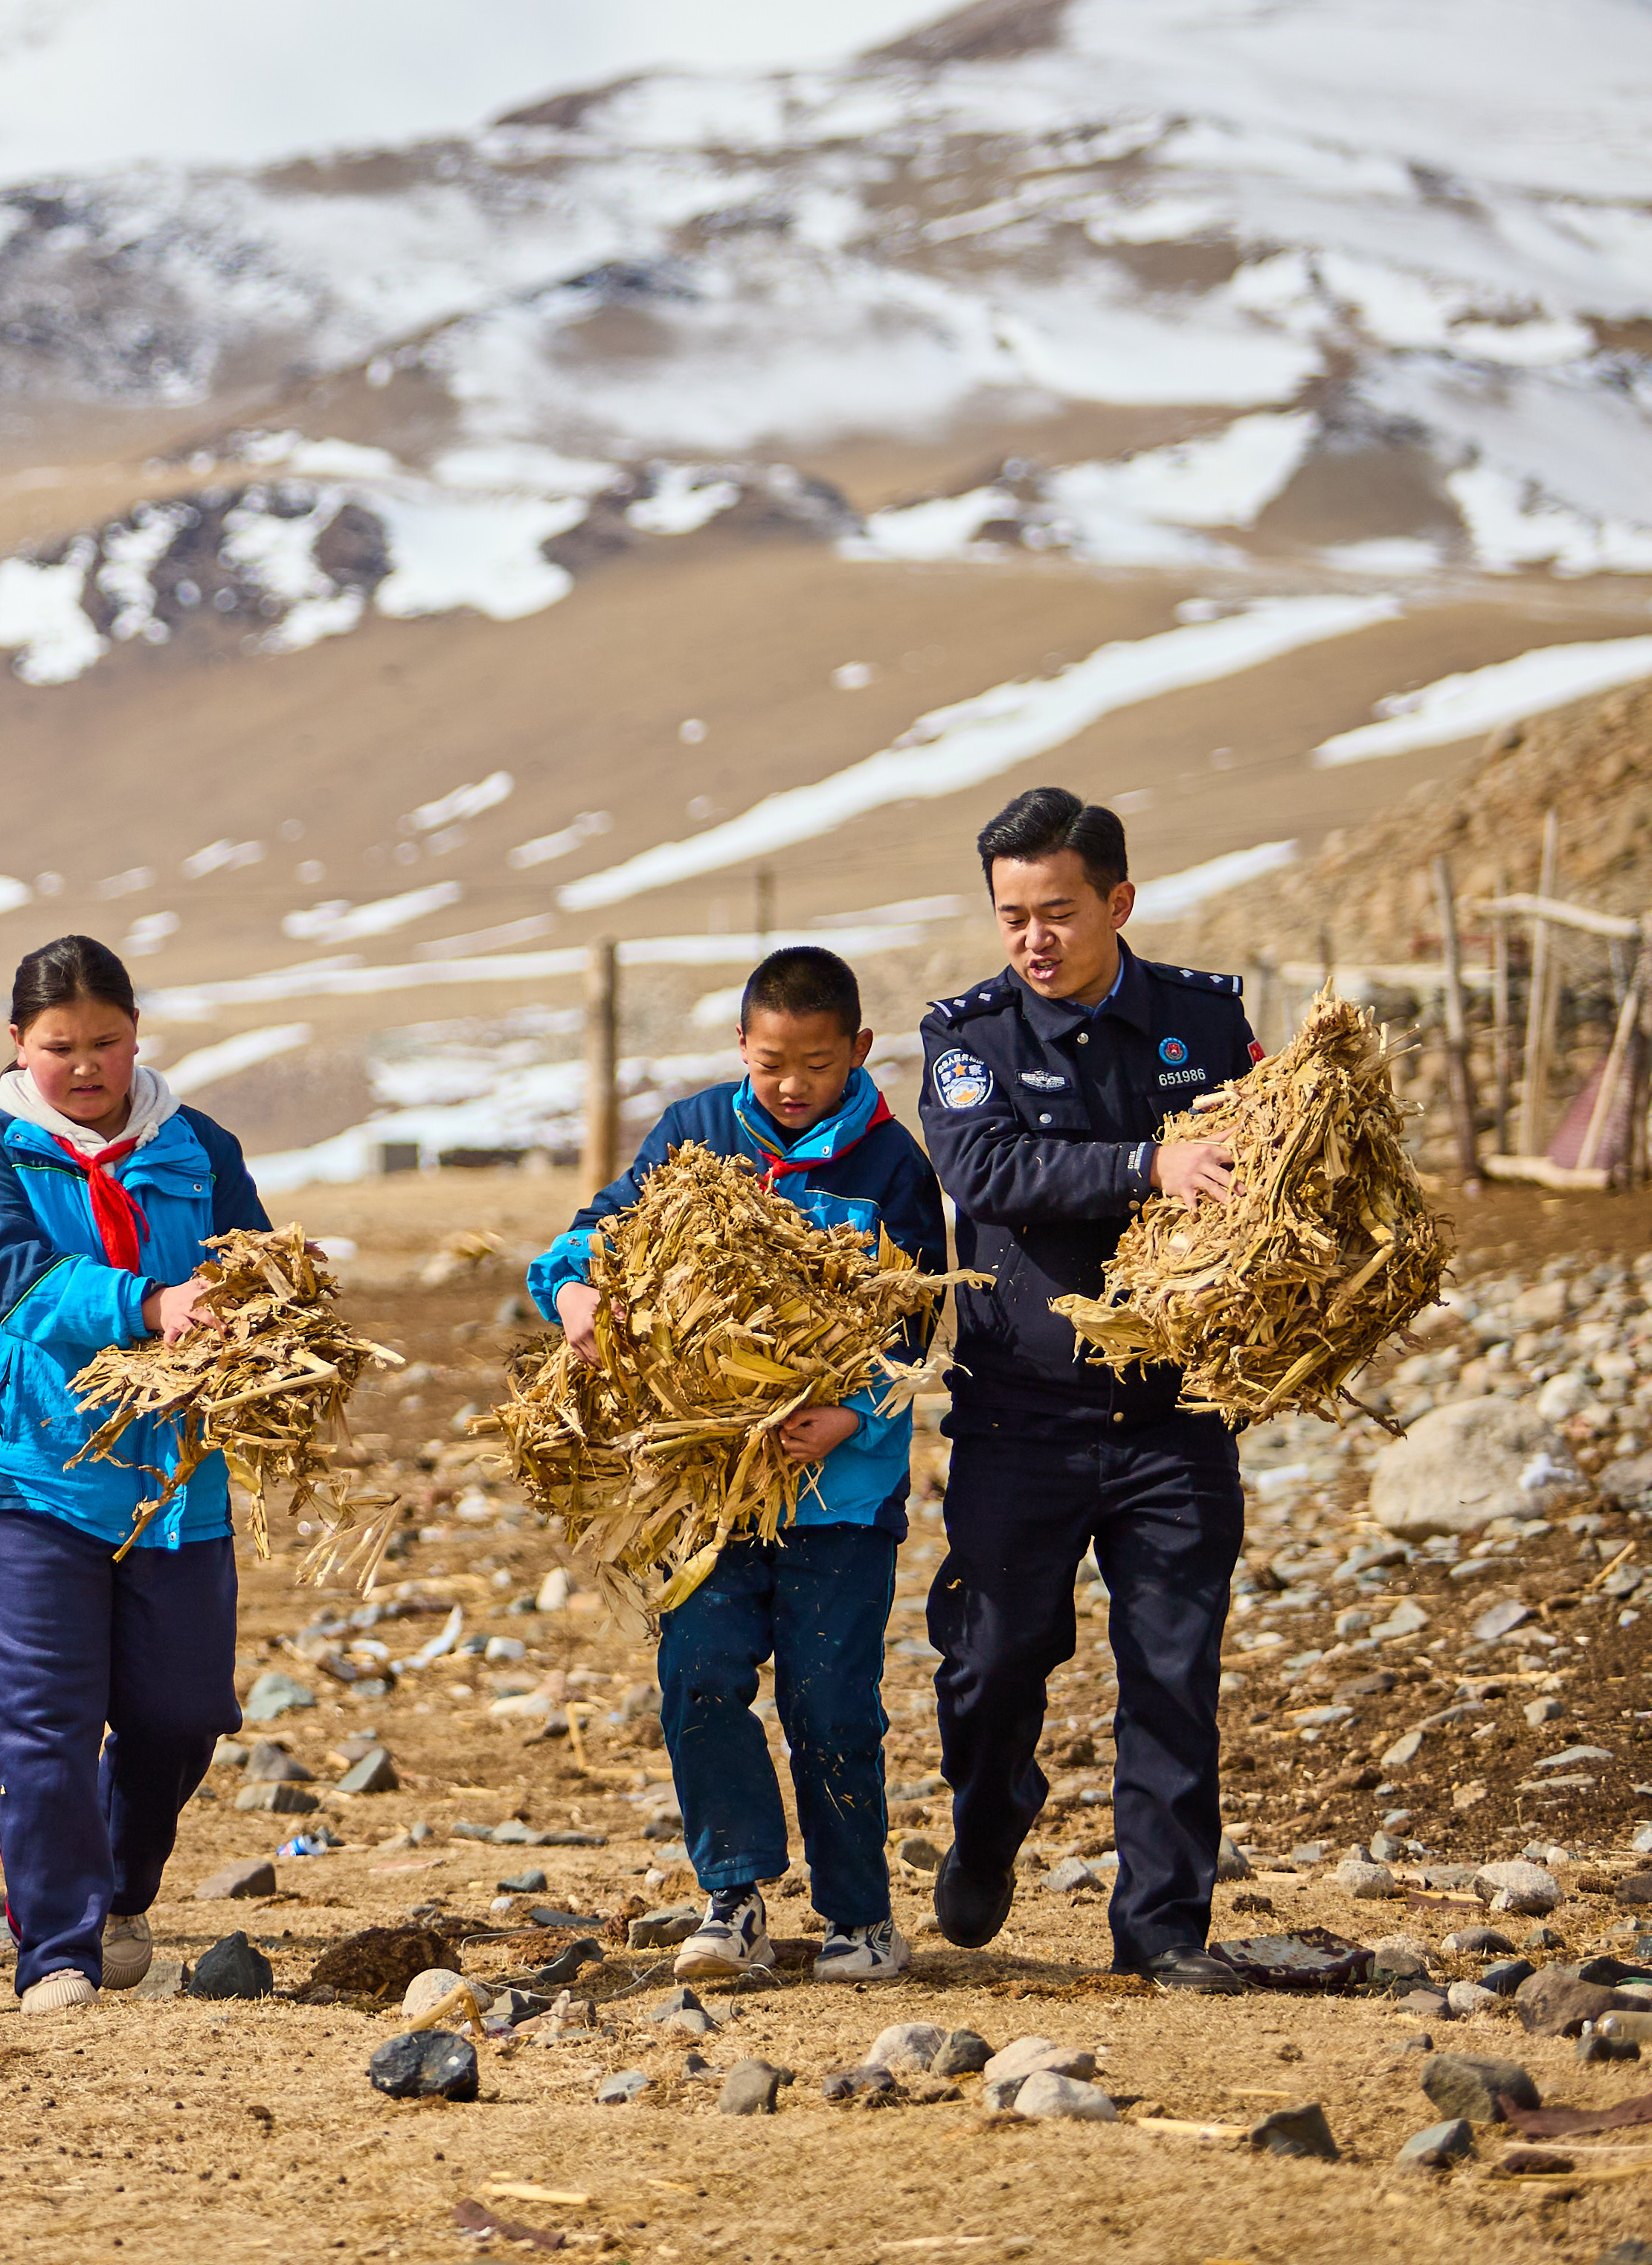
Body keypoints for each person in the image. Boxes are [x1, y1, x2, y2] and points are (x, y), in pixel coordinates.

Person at [526, 945, 945, 1987]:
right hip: (707, 1492)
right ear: (740, 1052)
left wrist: (849, 1415)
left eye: (814, 1063)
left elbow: (918, 1316)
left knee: (832, 1701)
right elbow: (591, 1238)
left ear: (859, 1049)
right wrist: (573, 1295)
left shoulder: (893, 1168)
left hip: (838, 1497)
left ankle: (859, 1919)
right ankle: (736, 1899)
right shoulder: (694, 1136)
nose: (792, 1086)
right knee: (700, 1680)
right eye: (770, 1065)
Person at [917, 786, 1262, 1994]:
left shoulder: (1205, 1023)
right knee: (992, 1655)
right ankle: (990, 1807)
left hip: (1173, 1416)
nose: (1032, 940)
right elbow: (985, 1165)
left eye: (1056, 911)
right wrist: (1148, 1163)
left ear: (1118, 900)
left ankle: (1161, 1929)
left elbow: (1271, 1156)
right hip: (1021, 1412)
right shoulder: (968, 1040)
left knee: (1172, 1664)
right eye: (1011, 915)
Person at [0, 936, 266, 2012]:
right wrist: (151, 1305)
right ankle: (61, 1951)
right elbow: (14, 1280)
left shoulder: (198, 1145)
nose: (85, 1066)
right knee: (42, 1720)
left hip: (176, 1477)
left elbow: (252, 1263)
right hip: (30, 1465)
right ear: (18, 1046)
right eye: (60, 1046)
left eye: (107, 1043)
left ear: (137, 1036)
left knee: (180, 1715)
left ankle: (122, 1890)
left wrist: (264, 1325)